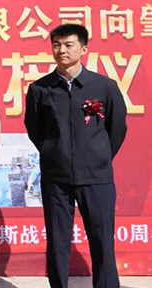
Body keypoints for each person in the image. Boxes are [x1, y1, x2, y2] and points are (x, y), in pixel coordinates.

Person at [25, 24, 127, 288]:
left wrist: (99, 156)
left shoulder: (104, 86)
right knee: (57, 241)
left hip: (97, 177)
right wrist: (53, 152)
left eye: (68, 45)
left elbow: (117, 128)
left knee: (102, 240)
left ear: (83, 49)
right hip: (56, 178)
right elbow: (35, 129)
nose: (61, 50)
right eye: (56, 45)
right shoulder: (40, 89)